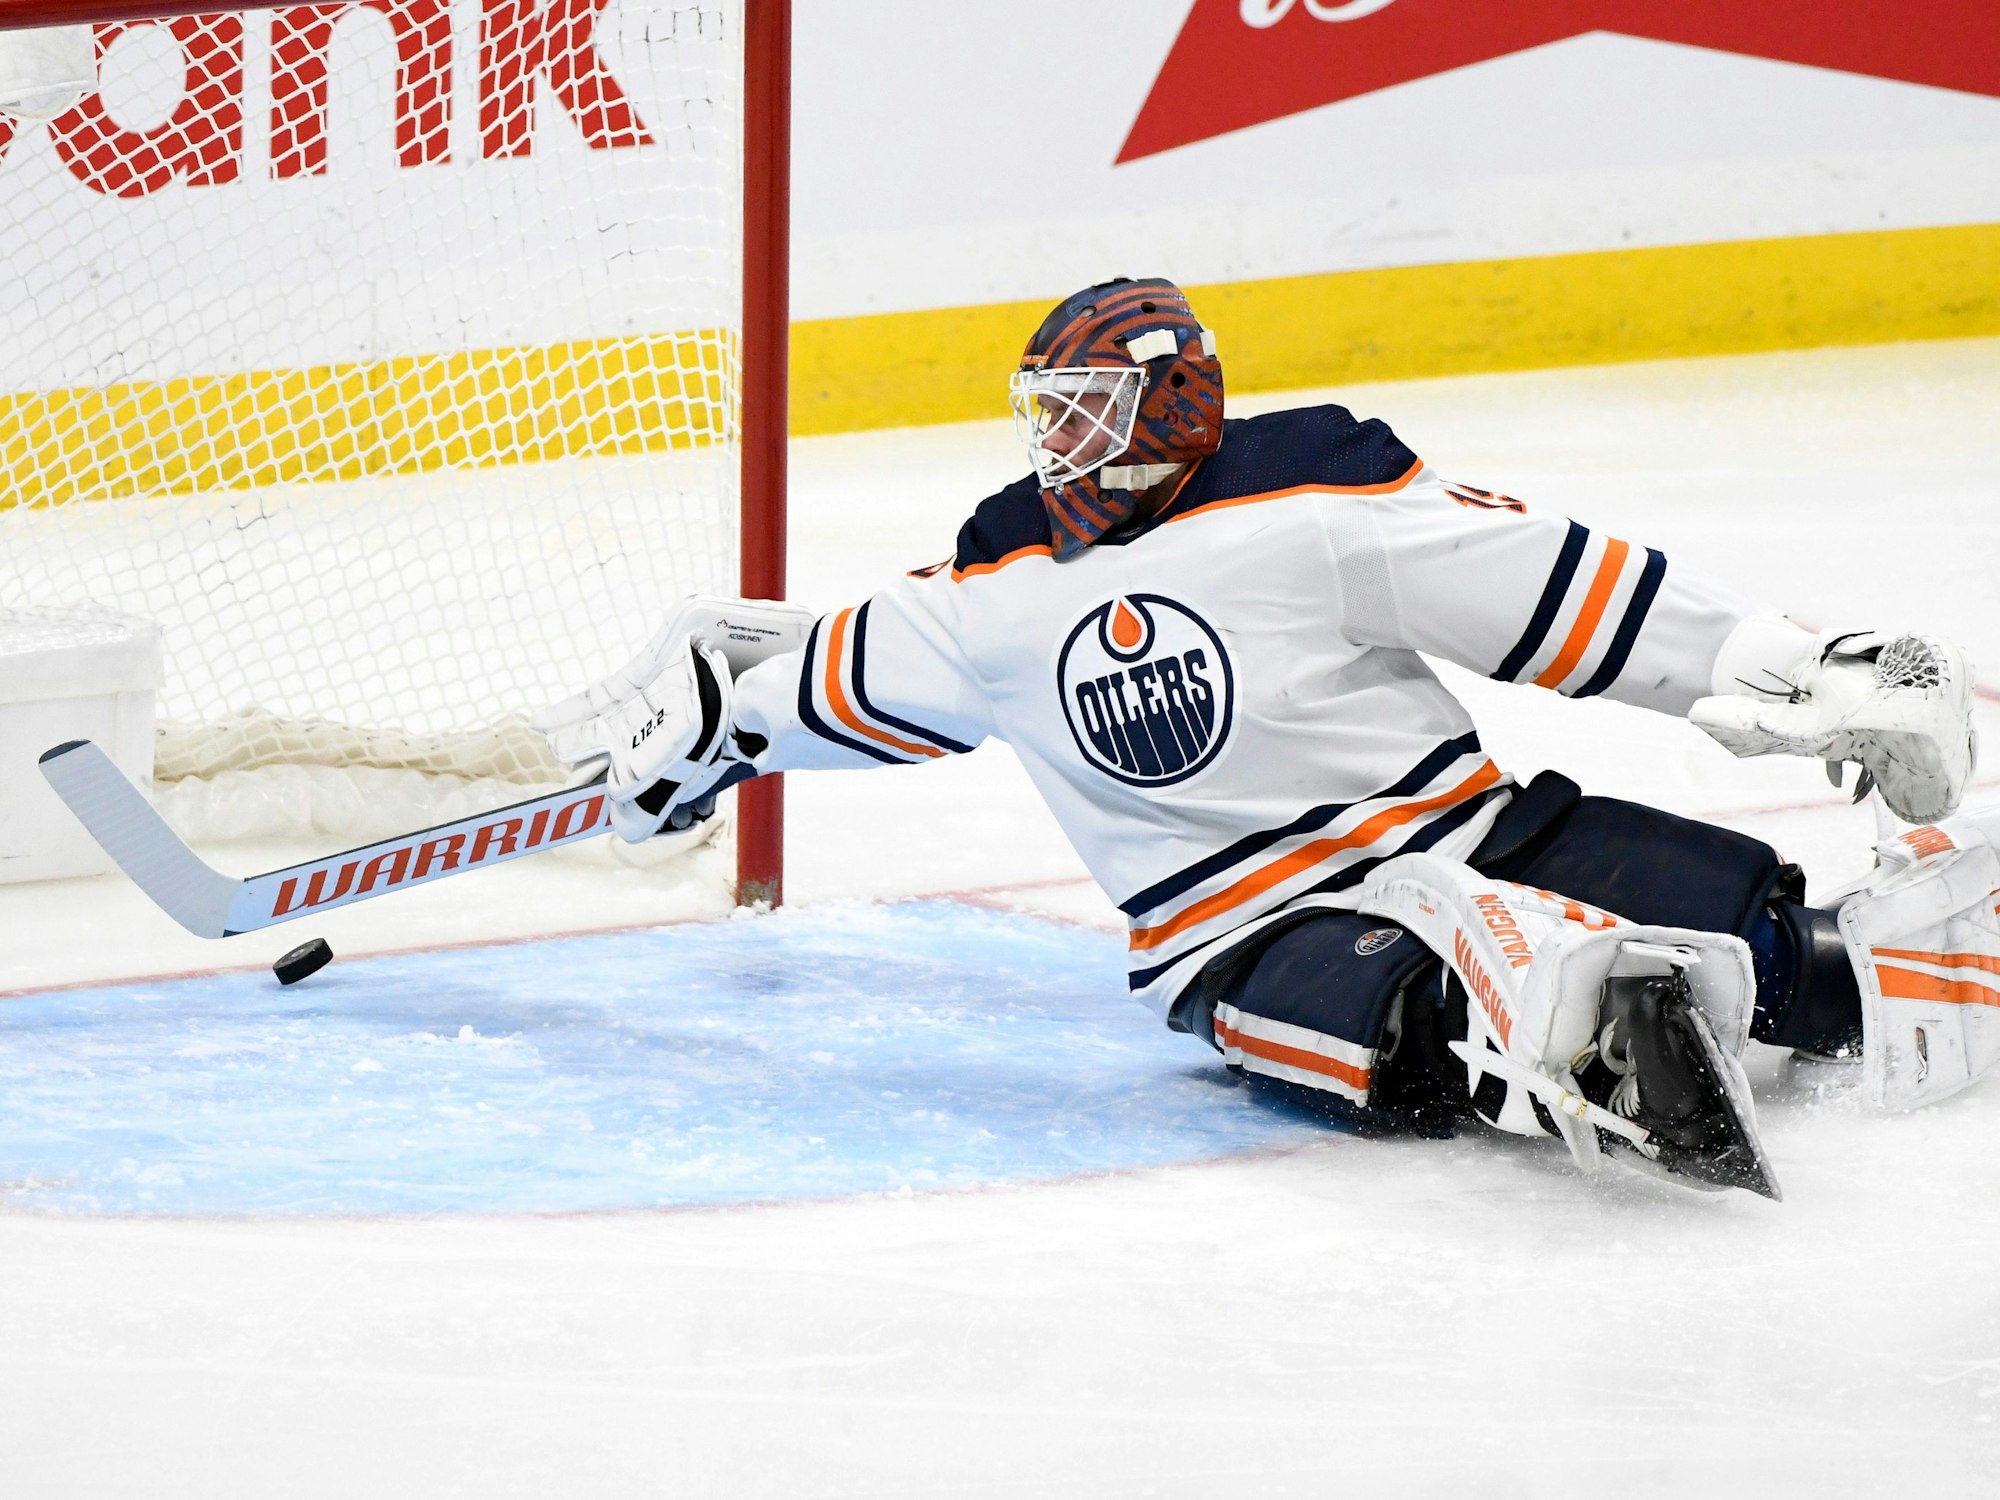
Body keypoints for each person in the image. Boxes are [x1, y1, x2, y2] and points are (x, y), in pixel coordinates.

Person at [533, 278, 1993, 1200]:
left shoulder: (1312, 500)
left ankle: (1869, 977)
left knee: (1751, 918)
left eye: (1085, 411)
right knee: (1402, 1033)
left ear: (1173, 402)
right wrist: (713, 733)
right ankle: (1547, 1020)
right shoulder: (997, 584)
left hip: (1465, 828)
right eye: (1043, 413)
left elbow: (1555, 586)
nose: (1055, 446)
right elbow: (833, 679)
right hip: (1246, 926)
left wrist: (1789, 666)